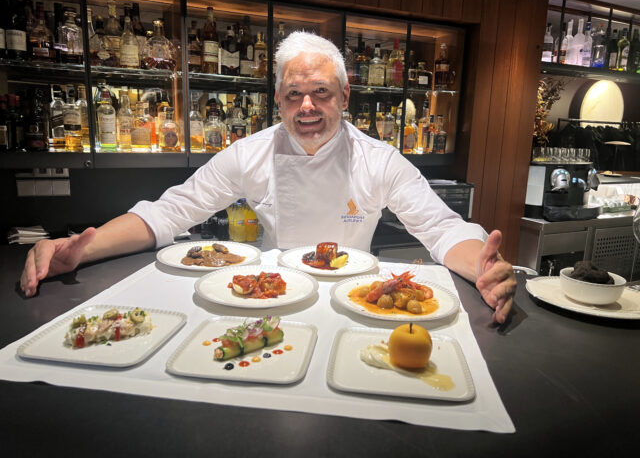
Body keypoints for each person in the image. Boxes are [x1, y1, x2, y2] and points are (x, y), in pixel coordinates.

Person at [20, 32, 516, 323]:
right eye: (293, 94)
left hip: (357, 304)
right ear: (277, 99)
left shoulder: (379, 160)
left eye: (321, 93)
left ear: (345, 96)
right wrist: (79, 249)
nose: (306, 106)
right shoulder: (249, 153)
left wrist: (483, 269)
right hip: (272, 299)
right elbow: (170, 212)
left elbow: (441, 228)